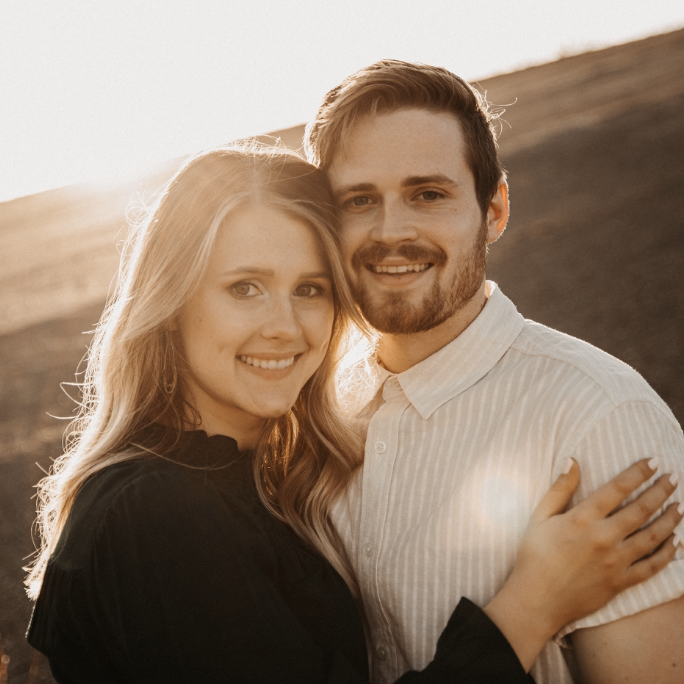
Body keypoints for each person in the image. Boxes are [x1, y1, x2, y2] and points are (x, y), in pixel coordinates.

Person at [25, 145, 680, 684]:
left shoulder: (244, 479)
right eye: (245, 288)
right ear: (172, 301)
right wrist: (533, 604)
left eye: (310, 289)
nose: (284, 327)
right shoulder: (157, 513)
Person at [304, 60, 684, 684]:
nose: (391, 231)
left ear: (495, 209)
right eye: (359, 200)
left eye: (428, 194)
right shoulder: (315, 421)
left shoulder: (600, 418)